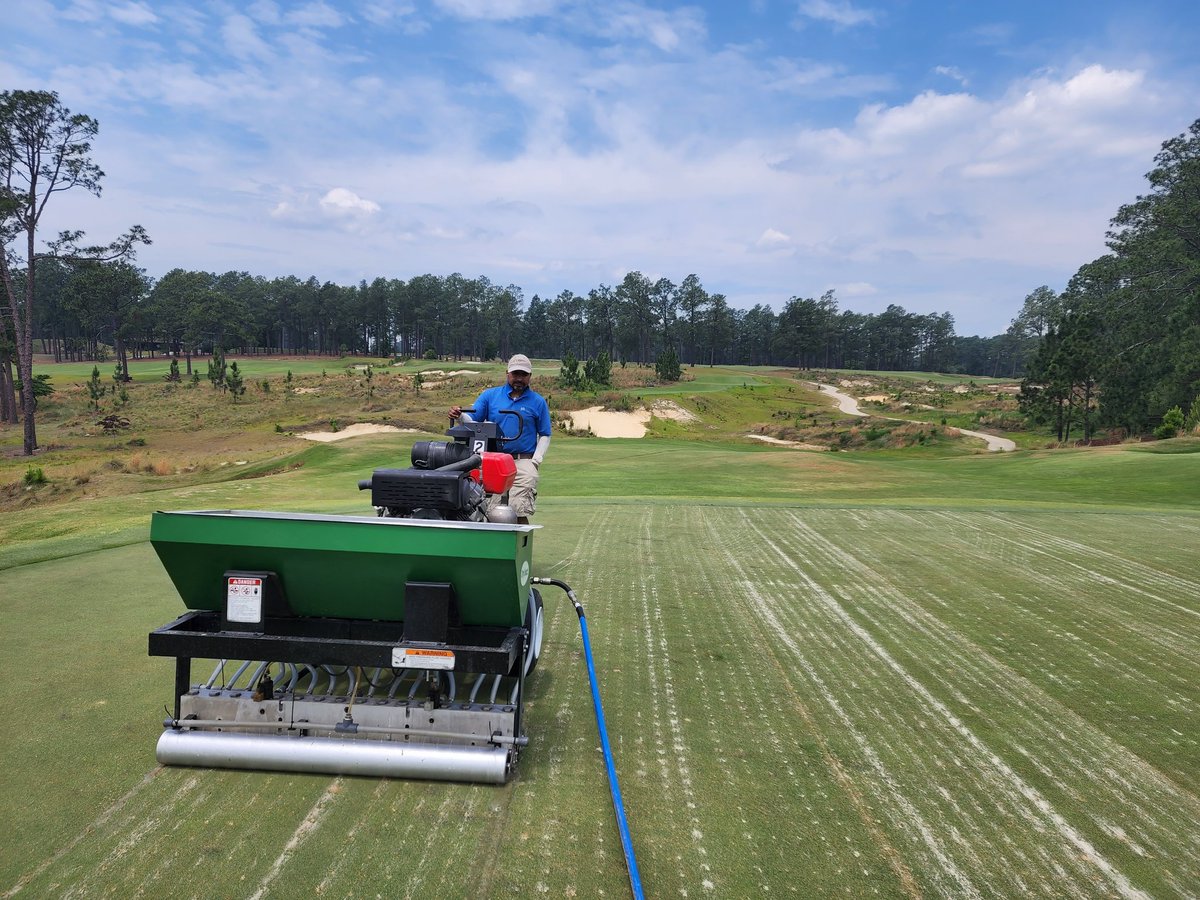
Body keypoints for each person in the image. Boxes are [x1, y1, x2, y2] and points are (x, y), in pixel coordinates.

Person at [449, 354, 551, 524]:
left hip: (522, 460)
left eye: (523, 375)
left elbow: (545, 434)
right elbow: (473, 421)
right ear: (507, 374)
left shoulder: (538, 402)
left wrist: (535, 461)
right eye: (515, 374)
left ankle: (518, 549)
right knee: (492, 511)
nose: (519, 379)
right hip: (494, 460)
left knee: (518, 510)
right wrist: (460, 416)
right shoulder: (490, 396)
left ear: (530, 376)